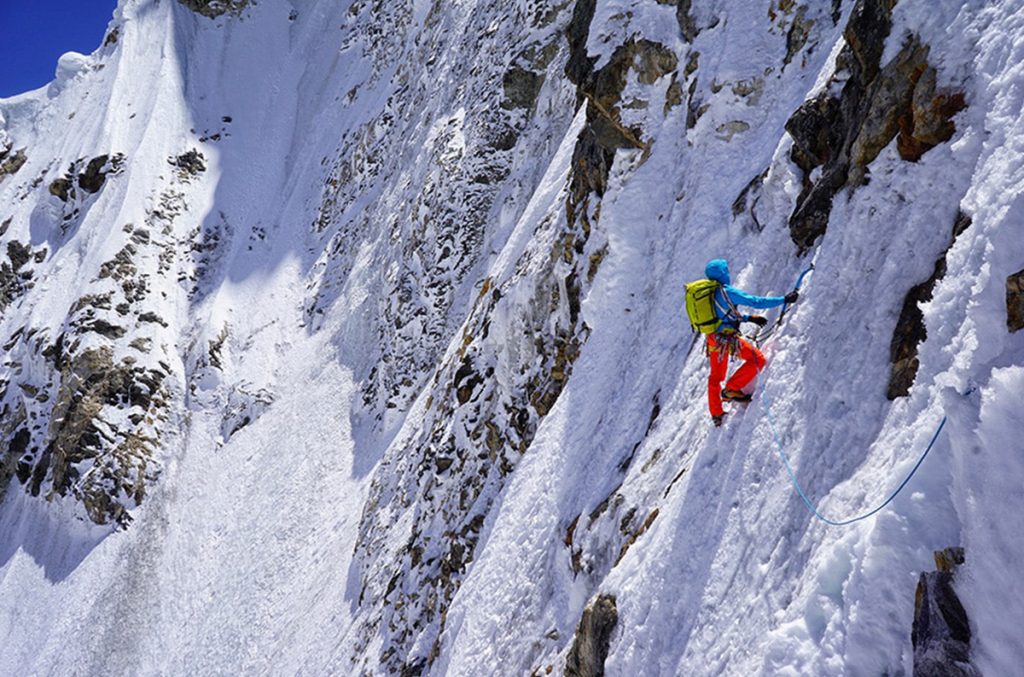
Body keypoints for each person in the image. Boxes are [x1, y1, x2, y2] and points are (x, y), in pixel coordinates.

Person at [703, 258, 798, 426]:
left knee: (715, 377)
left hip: (713, 339)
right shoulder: (727, 292)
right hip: (727, 340)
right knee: (757, 359)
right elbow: (755, 301)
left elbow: (723, 315)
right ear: (723, 274)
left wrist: (748, 318)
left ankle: (716, 414)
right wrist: (784, 299)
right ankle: (732, 388)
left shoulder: (707, 295)